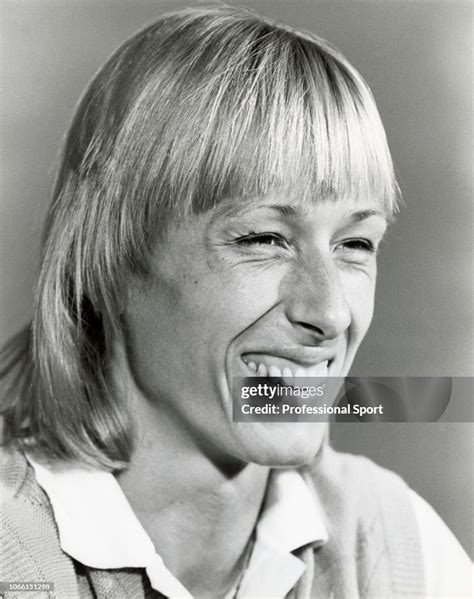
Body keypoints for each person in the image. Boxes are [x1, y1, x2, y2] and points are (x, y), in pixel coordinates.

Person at [0, 5, 471, 598]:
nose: (329, 315)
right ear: (112, 259)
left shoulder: (396, 545)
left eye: (355, 244)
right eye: (264, 239)